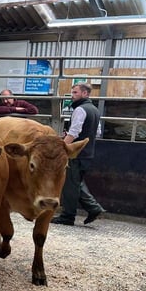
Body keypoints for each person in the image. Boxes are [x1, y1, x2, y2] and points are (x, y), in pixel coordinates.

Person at [52, 82, 106, 226]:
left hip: (76, 153)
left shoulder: (80, 110)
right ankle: (94, 208)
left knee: (70, 185)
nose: (72, 95)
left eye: (75, 92)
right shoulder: (94, 110)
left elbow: (74, 132)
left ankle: (68, 216)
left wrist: (62, 146)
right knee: (77, 182)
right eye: (73, 92)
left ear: (85, 94)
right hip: (88, 153)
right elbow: (98, 133)